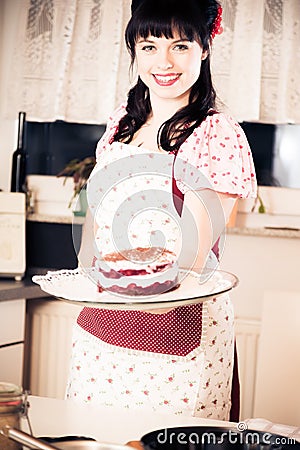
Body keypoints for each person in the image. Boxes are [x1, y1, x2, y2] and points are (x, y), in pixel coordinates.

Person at [65, 0, 257, 421]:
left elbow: (193, 254)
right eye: (149, 46)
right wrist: (87, 280)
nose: (163, 62)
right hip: (101, 324)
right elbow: (97, 216)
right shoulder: (121, 122)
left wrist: (129, 297)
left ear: (204, 49)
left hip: (174, 322)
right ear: (134, 50)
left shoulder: (216, 133)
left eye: (181, 46)